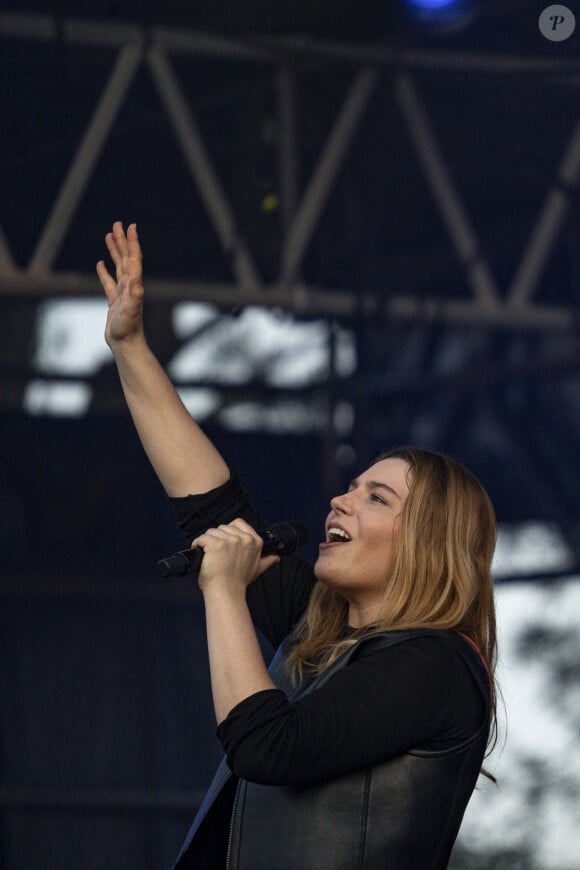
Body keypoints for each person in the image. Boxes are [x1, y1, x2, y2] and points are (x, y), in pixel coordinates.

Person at [97, 222, 498, 870]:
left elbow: (270, 748)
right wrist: (131, 347)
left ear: (427, 545)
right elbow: (212, 505)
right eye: (351, 485)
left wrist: (223, 589)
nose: (340, 499)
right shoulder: (326, 635)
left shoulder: (436, 668)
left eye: (377, 498)